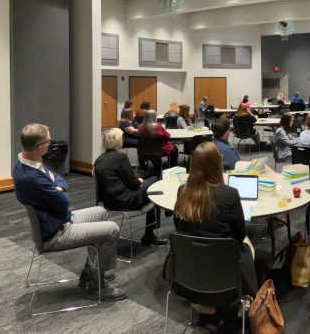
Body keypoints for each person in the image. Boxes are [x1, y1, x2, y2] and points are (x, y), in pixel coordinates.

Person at [13, 123, 125, 301]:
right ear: (39, 147)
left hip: (59, 220)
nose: (51, 144)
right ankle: (98, 286)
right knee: (112, 229)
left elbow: (58, 179)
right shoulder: (31, 177)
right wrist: (57, 188)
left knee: (100, 212)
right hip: (55, 233)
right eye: (48, 141)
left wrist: (57, 186)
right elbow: (64, 201)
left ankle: (91, 271)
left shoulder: (27, 163)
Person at [173, 142, 259, 313]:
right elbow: (240, 234)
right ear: (217, 164)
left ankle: (202, 300)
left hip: (189, 265)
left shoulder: (182, 191)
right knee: (247, 243)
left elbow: (178, 227)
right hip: (223, 266)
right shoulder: (230, 194)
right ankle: (245, 296)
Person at [94, 128, 164, 246]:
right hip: (125, 200)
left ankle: (150, 235)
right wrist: (139, 181)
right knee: (154, 181)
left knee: (150, 191)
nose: (123, 140)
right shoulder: (120, 158)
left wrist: (137, 181)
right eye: (122, 138)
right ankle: (150, 234)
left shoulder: (98, 160)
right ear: (117, 141)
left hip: (109, 202)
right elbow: (133, 184)